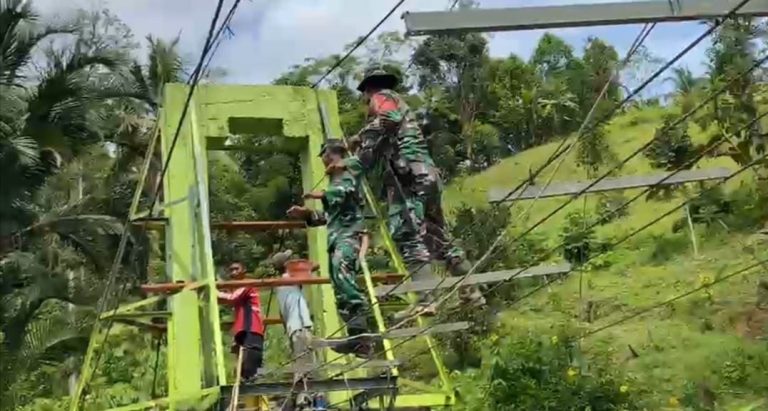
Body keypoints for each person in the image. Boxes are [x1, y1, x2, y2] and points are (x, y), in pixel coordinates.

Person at [342, 66, 484, 318]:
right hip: (426, 174)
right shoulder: (398, 110)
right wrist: (359, 146)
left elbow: (388, 120)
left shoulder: (381, 98)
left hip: (407, 179)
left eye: (364, 95)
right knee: (437, 237)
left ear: (367, 90)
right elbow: (372, 152)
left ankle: (424, 298)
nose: (365, 101)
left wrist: (356, 145)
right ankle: (471, 293)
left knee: (407, 233)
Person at [286, 139, 372, 358]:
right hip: (337, 238)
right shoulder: (336, 179)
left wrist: (318, 195)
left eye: (324, 155)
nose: (323, 161)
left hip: (349, 237)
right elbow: (330, 215)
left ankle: (362, 336)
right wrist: (307, 215)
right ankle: (354, 336)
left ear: (329, 154)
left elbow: (344, 193)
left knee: (345, 279)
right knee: (339, 285)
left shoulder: (346, 173)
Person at [268, 249, 315, 372]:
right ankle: (309, 389)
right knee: (307, 363)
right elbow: (314, 266)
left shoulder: (279, 286)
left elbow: (281, 314)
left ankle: (304, 387)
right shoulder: (292, 278)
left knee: (300, 359)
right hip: (301, 326)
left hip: (292, 328)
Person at [218, 261, 265, 384]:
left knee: (250, 358)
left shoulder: (247, 284)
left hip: (252, 327)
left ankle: (250, 380)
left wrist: (212, 290)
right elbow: (227, 298)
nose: (233, 272)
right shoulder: (238, 288)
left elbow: (231, 298)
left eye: (236, 269)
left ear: (244, 271)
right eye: (231, 270)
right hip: (243, 330)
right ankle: (245, 381)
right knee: (242, 360)